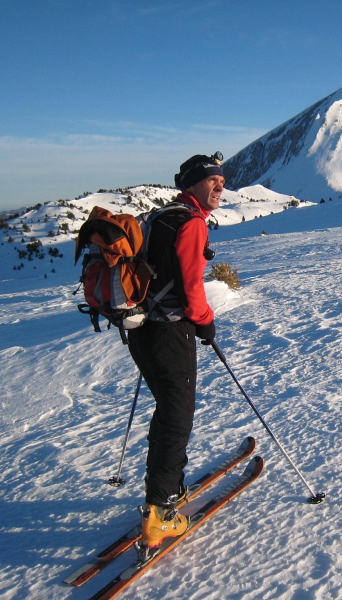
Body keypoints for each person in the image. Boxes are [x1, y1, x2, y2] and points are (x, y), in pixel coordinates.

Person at [126, 152, 223, 554]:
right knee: (178, 417)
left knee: (167, 411)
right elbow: (190, 286)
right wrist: (205, 321)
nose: (220, 186)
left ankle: (163, 490)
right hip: (170, 333)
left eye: (222, 179)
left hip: (139, 330)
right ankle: (161, 513)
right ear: (193, 184)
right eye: (212, 180)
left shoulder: (161, 215)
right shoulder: (192, 222)